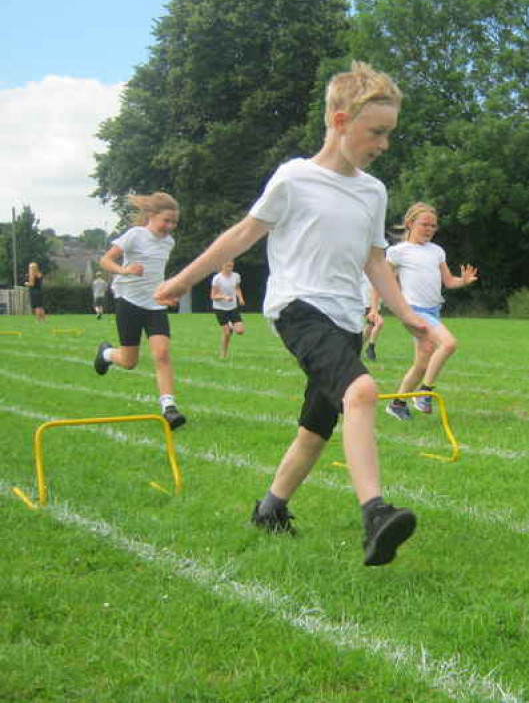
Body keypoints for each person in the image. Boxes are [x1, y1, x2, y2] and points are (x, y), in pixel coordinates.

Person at [154, 61, 428, 567]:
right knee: (362, 391)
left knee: (316, 428)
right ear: (341, 121)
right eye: (378, 132)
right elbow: (241, 235)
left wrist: (406, 312)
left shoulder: (374, 190)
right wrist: (181, 280)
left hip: (346, 317)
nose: (385, 144)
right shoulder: (294, 178)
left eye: (389, 133)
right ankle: (375, 513)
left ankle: (270, 509)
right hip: (297, 307)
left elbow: (374, 260)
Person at [92, 193, 186, 430]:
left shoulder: (169, 242)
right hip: (128, 301)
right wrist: (124, 270)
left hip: (154, 304)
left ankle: (169, 408)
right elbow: (105, 261)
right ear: (151, 216)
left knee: (162, 353)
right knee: (129, 361)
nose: (170, 226)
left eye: (174, 222)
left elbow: (157, 274)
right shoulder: (135, 235)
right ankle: (105, 354)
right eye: (166, 221)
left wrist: (168, 293)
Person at [384, 202, 478, 421]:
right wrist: (376, 308)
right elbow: (383, 282)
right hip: (414, 311)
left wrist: (462, 281)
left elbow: (448, 281)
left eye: (433, 226)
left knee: (422, 363)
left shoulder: (437, 251)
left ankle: (397, 403)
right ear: (410, 224)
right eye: (424, 224)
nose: (429, 229)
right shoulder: (398, 252)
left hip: (433, 310)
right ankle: (425, 393)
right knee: (448, 343)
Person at [211, 260, 246, 359]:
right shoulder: (217, 279)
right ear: (222, 266)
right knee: (226, 333)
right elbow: (213, 296)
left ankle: (230, 324)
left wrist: (240, 298)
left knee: (240, 331)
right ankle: (223, 354)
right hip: (220, 308)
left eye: (231, 266)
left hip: (232, 307)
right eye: (228, 266)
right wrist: (224, 297)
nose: (230, 269)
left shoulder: (236, 276)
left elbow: (237, 288)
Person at [361, 272, 384, 361]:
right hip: (367, 304)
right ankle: (370, 348)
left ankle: (355, 347)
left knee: (369, 329)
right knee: (379, 322)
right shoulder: (365, 272)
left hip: (375, 305)